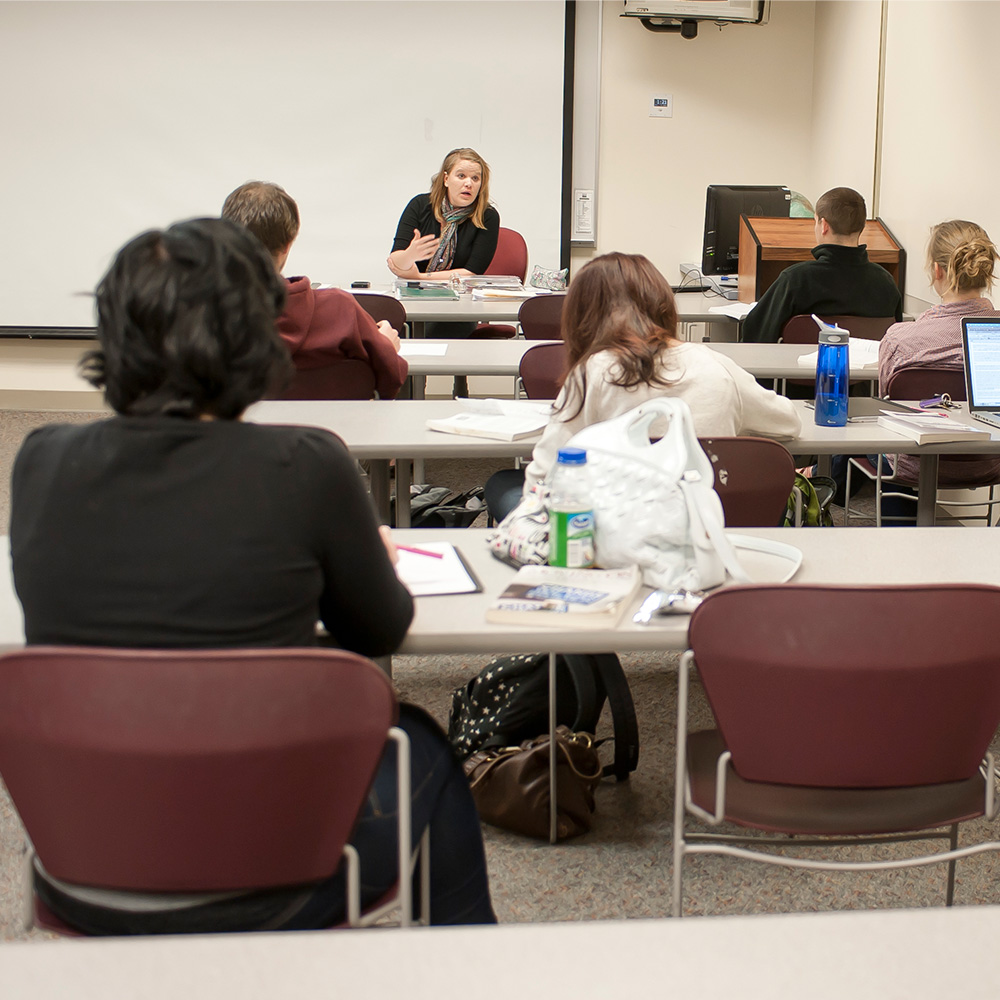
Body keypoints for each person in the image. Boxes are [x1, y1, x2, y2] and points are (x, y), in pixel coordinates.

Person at [9, 218, 495, 932]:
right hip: (275, 871)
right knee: (418, 740)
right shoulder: (308, 464)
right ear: (256, 338)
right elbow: (379, 630)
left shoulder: (41, 460)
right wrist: (369, 555)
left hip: (84, 866)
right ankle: (465, 970)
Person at [486, 253, 801, 520]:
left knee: (501, 485)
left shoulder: (592, 372)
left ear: (581, 316)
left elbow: (543, 478)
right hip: (703, 528)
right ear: (663, 304)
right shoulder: (716, 365)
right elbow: (788, 422)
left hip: (612, 536)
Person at [222, 180, 408, 399]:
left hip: (238, 432)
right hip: (337, 431)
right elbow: (390, 381)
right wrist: (385, 346)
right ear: (287, 245)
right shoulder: (340, 310)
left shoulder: (203, 314)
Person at [874, 220, 1000, 519]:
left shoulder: (899, 339)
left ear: (937, 271)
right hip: (990, 462)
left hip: (910, 465)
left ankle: (901, 542)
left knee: (870, 439)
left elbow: (886, 410)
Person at [741, 186, 903, 344]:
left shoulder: (795, 280)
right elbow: (895, 340)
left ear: (824, 225)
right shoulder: (886, 283)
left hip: (799, 370)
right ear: (862, 227)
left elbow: (755, 335)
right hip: (866, 371)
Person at [388, 147, 500, 340]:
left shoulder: (487, 216)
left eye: (475, 178)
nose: (469, 184)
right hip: (411, 299)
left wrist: (419, 277)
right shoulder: (420, 205)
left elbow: (471, 272)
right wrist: (410, 256)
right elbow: (395, 261)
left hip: (459, 305)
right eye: (461, 176)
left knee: (429, 336)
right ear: (446, 179)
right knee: (393, 331)